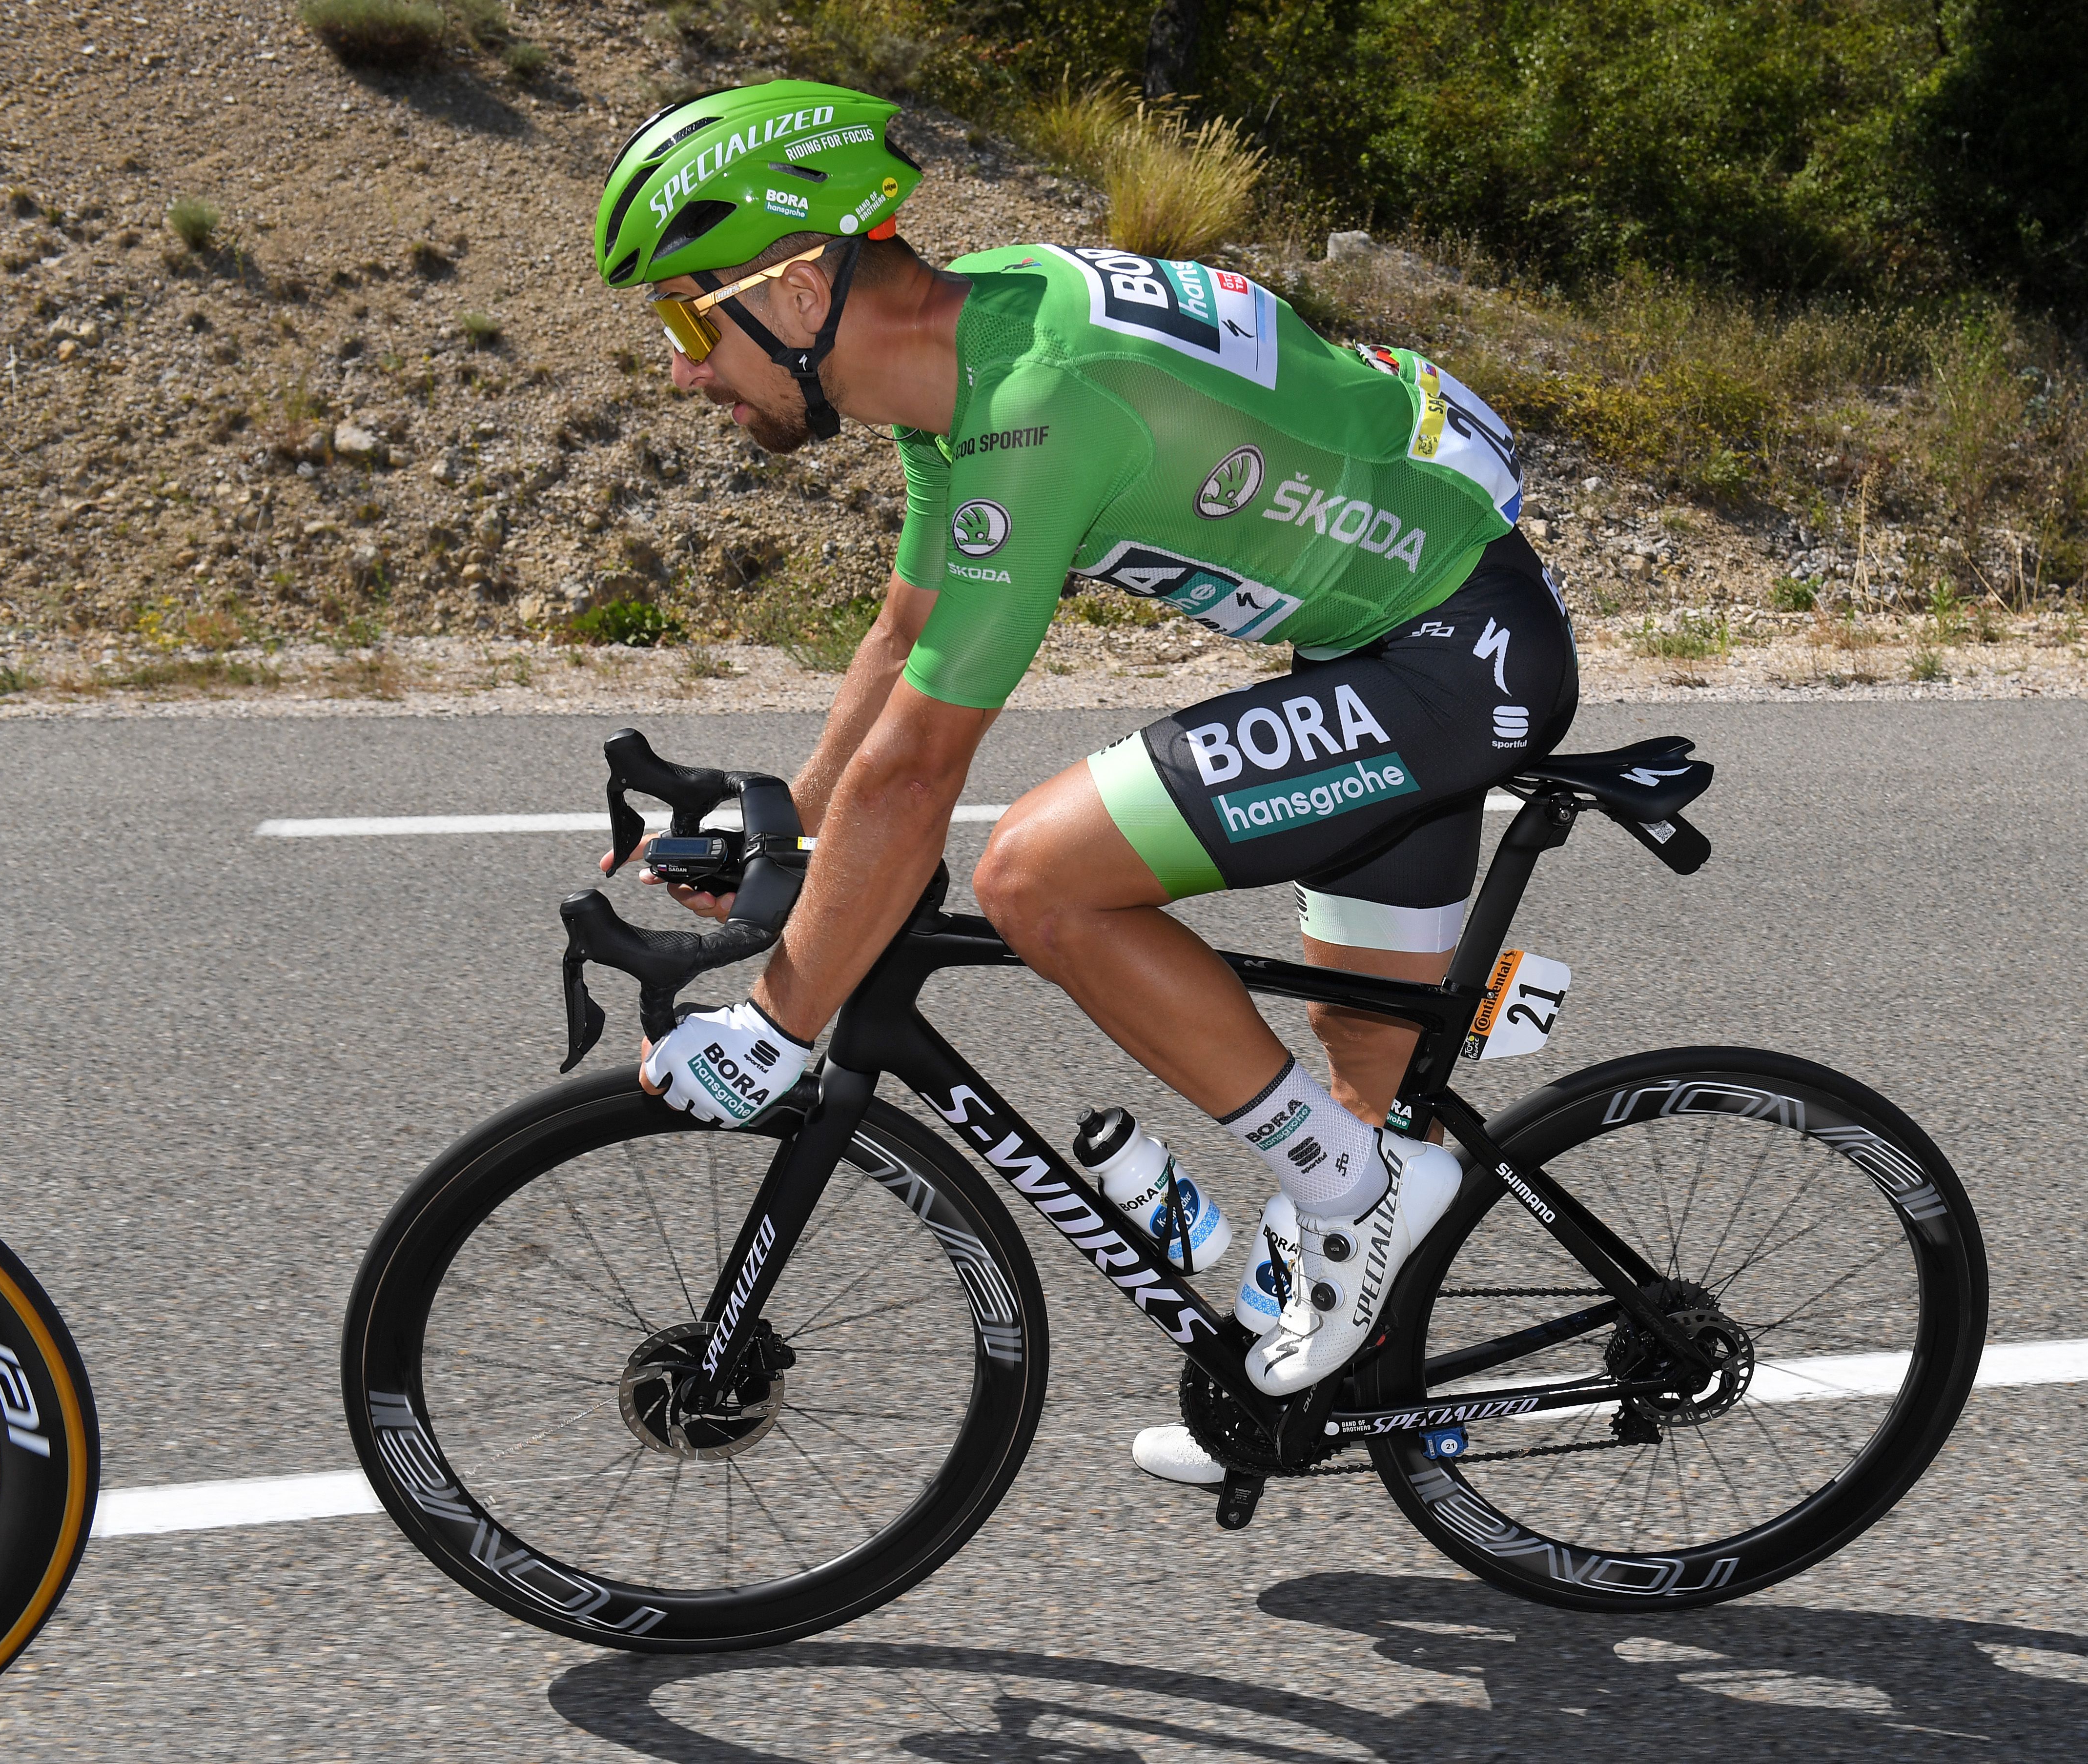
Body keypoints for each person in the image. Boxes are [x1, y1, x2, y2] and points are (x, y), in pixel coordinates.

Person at [593, 80, 1576, 1477]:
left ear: (801, 288)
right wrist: (791, 829)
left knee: (1037, 879)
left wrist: (778, 1020)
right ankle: (1343, 1405)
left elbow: (928, 761)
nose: (683, 370)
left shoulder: (1033, 407)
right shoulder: (966, 358)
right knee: (1367, 1099)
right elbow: (909, 632)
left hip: (1450, 656)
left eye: (689, 319)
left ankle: (1357, 1193)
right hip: (1392, 638)